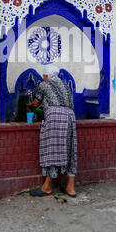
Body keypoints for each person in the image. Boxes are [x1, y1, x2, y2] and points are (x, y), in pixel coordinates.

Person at [27, 64, 77, 198]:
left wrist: (29, 105)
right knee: (70, 150)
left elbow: (36, 103)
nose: (43, 78)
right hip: (70, 117)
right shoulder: (65, 86)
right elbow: (65, 103)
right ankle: (70, 188)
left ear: (46, 76)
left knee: (52, 150)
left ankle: (47, 187)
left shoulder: (44, 85)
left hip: (55, 117)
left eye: (44, 76)